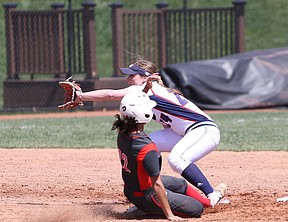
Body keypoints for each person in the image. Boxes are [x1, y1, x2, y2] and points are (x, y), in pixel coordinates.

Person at [70, 59, 227, 207]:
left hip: (204, 130)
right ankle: (152, 187)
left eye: (132, 75)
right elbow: (170, 124)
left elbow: (110, 95)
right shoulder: (148, 92)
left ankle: (212, 195)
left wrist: (80, 96)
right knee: (149, 144)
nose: (128, 79)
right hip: (185, 132)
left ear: (145, 78)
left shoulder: (144, 89)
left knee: (176, 159)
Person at [113, 91, 208, 220]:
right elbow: (156, 184)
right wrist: (170, 215)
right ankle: (145, 210)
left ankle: (209, 202)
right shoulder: (146, 147)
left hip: (132, 188)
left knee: (180, 184)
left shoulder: (123, 133)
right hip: (146, 196)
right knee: (197, 209)